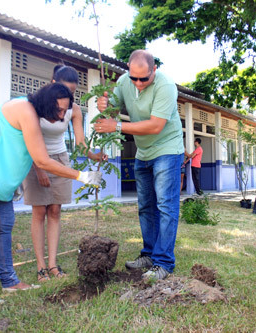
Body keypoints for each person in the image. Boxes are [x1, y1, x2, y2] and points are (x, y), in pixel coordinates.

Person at [0, 83, 101, 304]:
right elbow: (42, 159)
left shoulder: (35, 113)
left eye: (65, 111)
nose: (62, 117)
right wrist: (81, 176)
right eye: (59, 110)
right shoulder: (25, 110)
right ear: (46, 103)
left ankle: (9, 281)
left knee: (3, 228)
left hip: (1, 181)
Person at [95, 49, 184, 281]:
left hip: (167, 149)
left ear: (154, 70)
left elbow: (155, 126)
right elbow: (111, 109)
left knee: (165, 206)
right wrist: (103, 105)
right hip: (143, 152)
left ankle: (163, 262)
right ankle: (148, 254)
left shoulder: (166, 86)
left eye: (144, 78)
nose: (138, 83)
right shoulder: (125, 82)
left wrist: (115, 126)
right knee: (145, 206)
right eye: (134, 77)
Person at [23, 65, 105, 282]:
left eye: (72, 92)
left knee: (55, 212)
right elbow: (27, 139)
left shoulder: (74, 109)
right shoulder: (36, 105)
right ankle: (41, 267)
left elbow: (79, 144)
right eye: (64, 89)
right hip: (36, 159)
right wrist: (39, 168)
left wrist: (95, 156)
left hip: (60, 159)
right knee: (39, 212)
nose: (68, 96)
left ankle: (52, 265)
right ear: (52, 83)